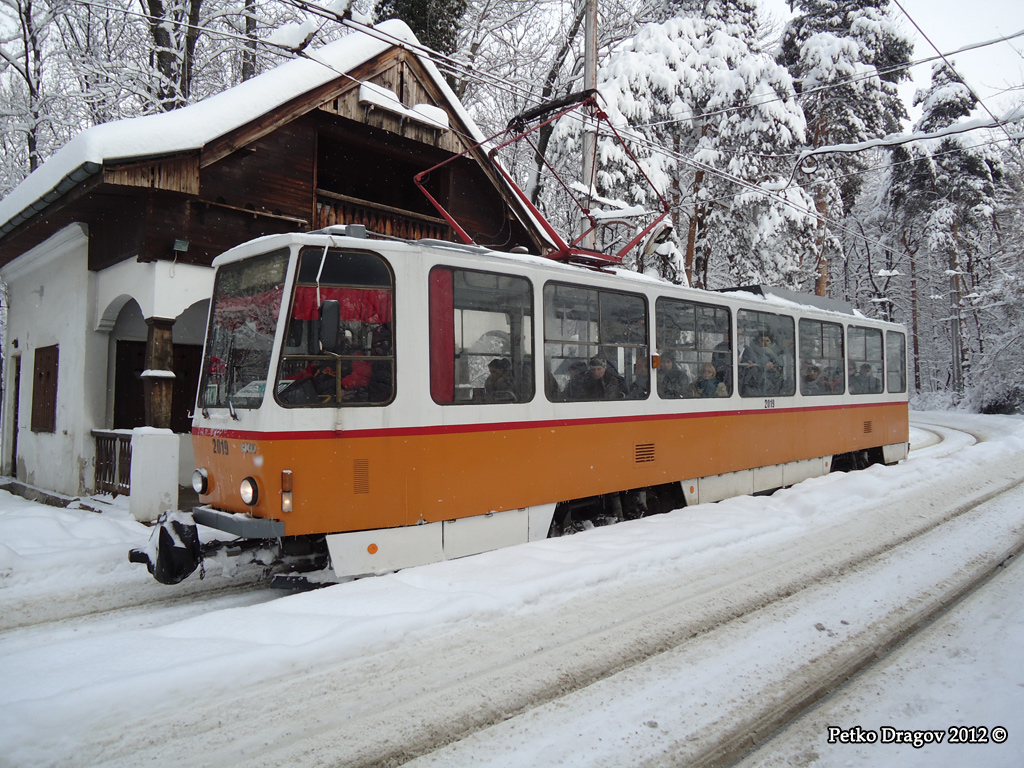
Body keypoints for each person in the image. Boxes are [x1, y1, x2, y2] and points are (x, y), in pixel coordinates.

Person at [740, 331, 783, 396]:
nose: (765, 343)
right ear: (758, 342)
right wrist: (764, 366)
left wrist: (772, 359)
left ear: (770, 342)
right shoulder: (751, 352)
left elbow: (781, 364)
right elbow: (752, 362)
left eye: (767, 341)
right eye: (762, 341)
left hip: (771, 386)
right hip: (755, 385)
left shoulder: (774, 353)